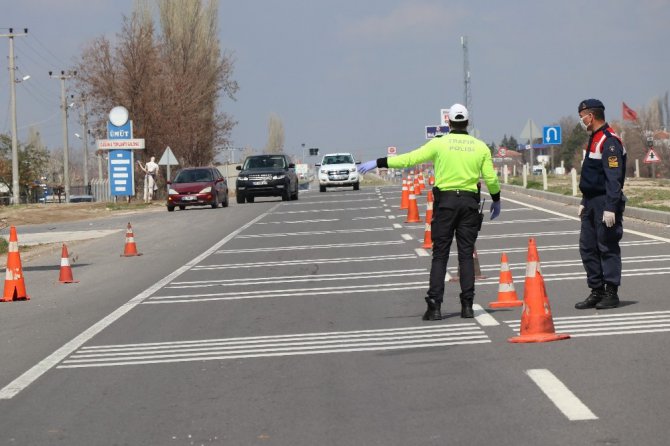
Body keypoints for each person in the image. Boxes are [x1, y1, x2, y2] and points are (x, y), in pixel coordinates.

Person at [358, 104, 501, 320]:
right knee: (466, 255)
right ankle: (468, 306)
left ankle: (434, 307)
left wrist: (378, 162)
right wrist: (496, 199)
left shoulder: (439, 144)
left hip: (445, 204)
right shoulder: (480, 147)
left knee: (440, 256)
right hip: (469, 204)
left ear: (449, 123)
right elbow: (490, 178)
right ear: (467, 123)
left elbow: (409, 159)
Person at [574, 99, 627, 310]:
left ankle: (611, 292)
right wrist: (584, 201)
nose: (581, 120)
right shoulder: (593, 138)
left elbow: (613, 178)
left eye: (582, 116)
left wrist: (611, 207)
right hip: (591, 202)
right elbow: (592, 177)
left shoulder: (609, 140)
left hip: (605, 201)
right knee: (588, 247)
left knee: (607, 247)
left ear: (591, 116)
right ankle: (596, 290)